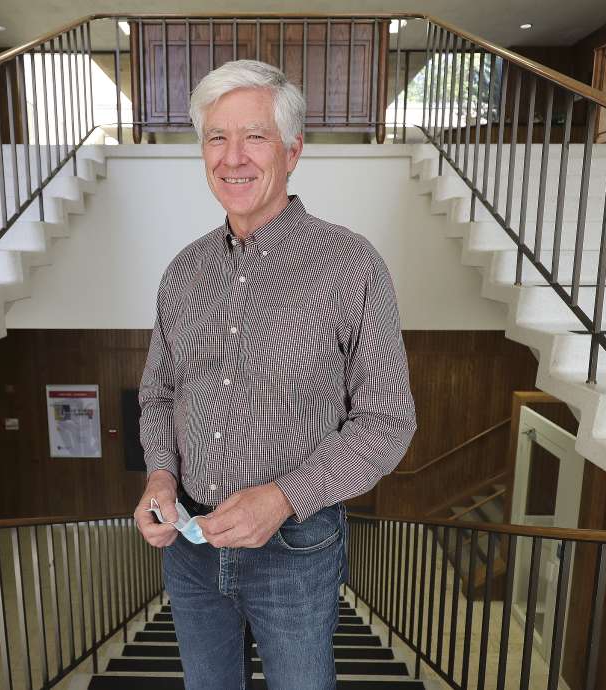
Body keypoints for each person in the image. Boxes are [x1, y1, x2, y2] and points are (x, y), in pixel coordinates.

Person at [134, 59, 417, 690]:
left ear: (292, 150)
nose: (233, 158)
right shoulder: (181, 273)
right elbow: (159, 395)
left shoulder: (351, 264)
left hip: (297, 548)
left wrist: (284, 496)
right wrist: (160, 472)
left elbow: (388, 423)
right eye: (216, 138)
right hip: (189, 547)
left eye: (254, 136)